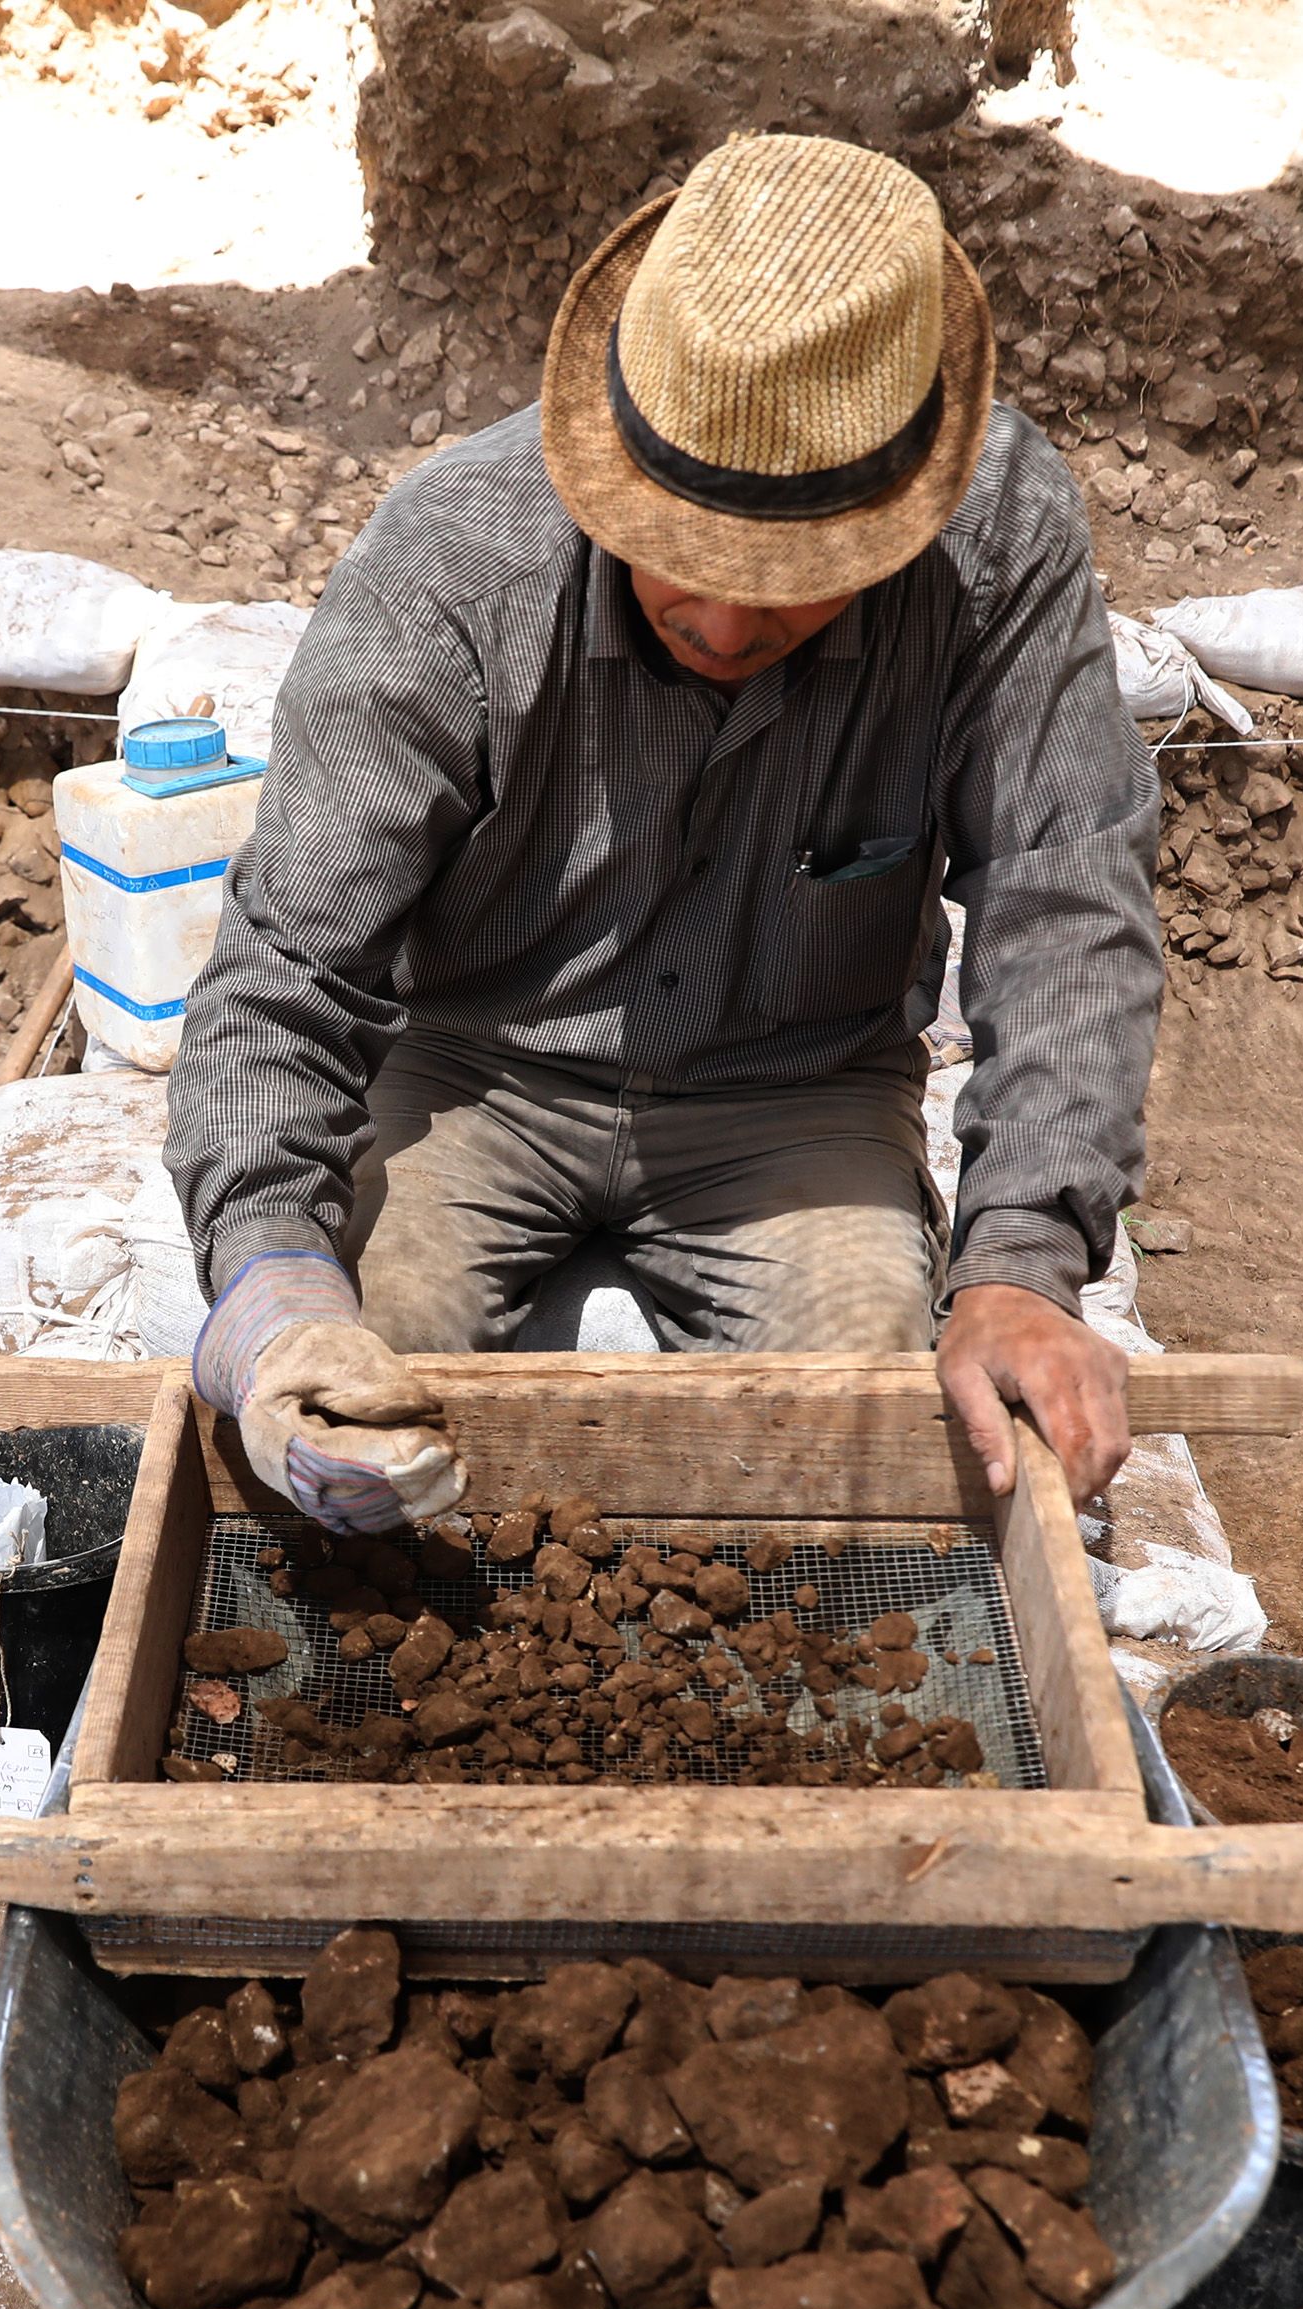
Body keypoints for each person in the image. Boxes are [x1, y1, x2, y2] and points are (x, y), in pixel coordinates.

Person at [165, 134, 1162, 1536]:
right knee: (352, 1416)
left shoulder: (992, 548)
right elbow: (285, 973)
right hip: (473, 1073)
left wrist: (1019, 1260)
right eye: (687, 563)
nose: (732, 626)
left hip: (796, 1094)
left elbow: (1066, 889)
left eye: (800, 589)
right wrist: (271, 1284)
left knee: (885, 1447)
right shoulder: (451, 568)